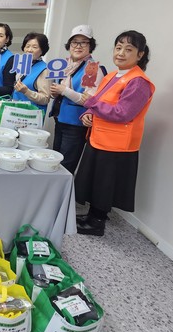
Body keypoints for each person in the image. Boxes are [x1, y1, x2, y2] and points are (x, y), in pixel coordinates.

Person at [74, 30, 155, 236]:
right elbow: (100, 103)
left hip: (117, 145)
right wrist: (89, 114)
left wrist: (91, 103)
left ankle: (97, 223)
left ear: (140, 54)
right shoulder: (112, 75)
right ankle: (91, 215)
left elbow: (123, 113)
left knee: (105, 184)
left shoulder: (138, 81)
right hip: (99, 137)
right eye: (118, 48)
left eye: (128, 49)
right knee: (95, 180)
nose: (120, 53)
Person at [49, 25, 107, 174]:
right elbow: (60, 90)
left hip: (75, 124)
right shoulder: (65, 65)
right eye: (75, 42)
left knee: (65, 167)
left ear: (90, 46)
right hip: (60, 120)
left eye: (84, 42)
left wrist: (64, 90)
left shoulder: (92, 68)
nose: (78, 46)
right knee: (55, 162)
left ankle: (64, 189)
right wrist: (55, 92)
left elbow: (88, 100)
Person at [12, 32, 51, 118]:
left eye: (34, 47)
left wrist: (27, 91)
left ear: (42, 50)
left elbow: (45, 99)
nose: (29, 50)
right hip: (16, 114)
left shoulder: (44, 69)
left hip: (30, 117)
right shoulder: (23, 65)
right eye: (27, 46)